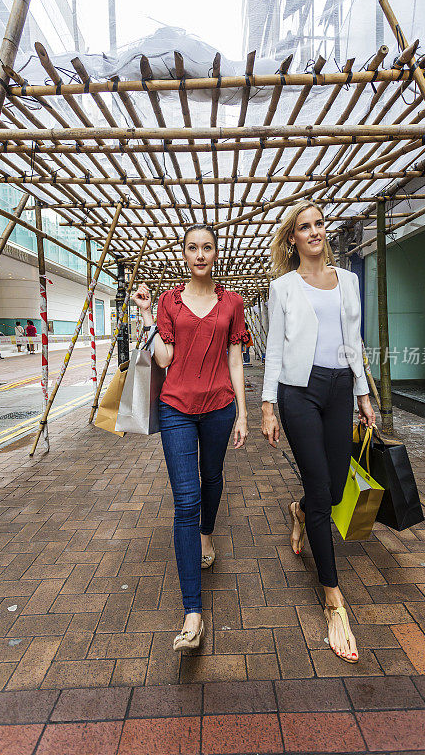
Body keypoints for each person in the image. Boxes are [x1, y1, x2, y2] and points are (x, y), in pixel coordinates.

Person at [261, 200, 376, 664]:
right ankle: (333, 600)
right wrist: (267, 406)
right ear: (293, 239)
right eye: (304, 227)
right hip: (298, 393)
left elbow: (355, 341)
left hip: (340, 388)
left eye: (319, 223)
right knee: (321, 488)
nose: (314, 232)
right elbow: (273, 348)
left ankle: (299, 509)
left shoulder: (347, 282)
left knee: (330, 487)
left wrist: (364, 394)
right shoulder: (283, 287)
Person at [132, 223, 249, 653]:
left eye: (207, 247)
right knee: (186, 500)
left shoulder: (232, 302)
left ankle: (207, 535)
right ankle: (192, 612)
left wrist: (242, 412)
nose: (200, 254)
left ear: (216, 254)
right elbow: (165, 357)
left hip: (219, 407)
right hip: (176, 407)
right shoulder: (168, 301)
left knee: (212, 478)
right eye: (192, 248)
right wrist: (146, 314)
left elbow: (235, 358)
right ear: (184, 254)